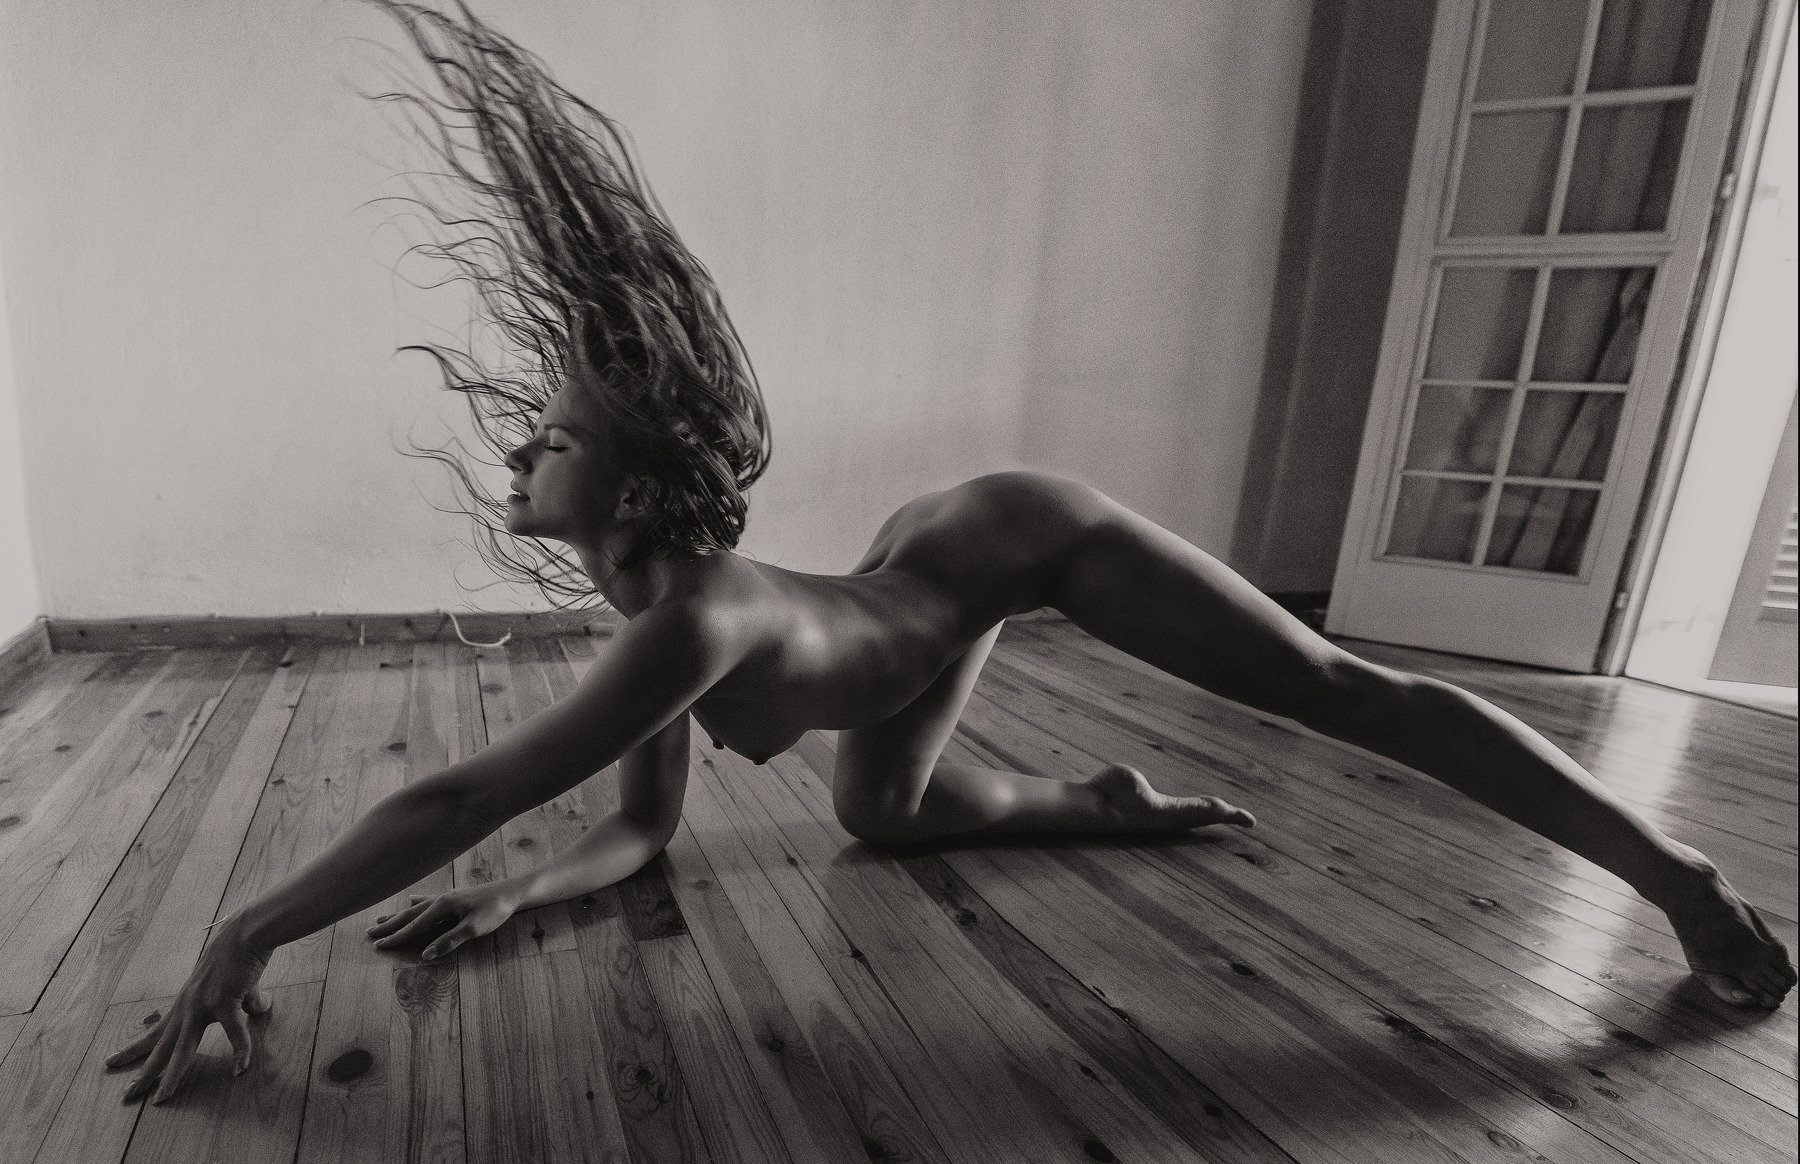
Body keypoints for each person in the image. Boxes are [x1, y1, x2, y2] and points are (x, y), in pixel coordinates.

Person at [105, 1, 1794, 1106]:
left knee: (1342, 689)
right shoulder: (656, 617)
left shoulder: (690, 624)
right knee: (884, 817)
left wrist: (249, 927)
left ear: (628, 491)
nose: (514, 452)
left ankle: (1682, 881)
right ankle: (1106, 798)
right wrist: (522, 887)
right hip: (910, 597)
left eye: (548, 439)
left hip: (1013, 538)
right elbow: (634, 832)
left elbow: (453, 792)